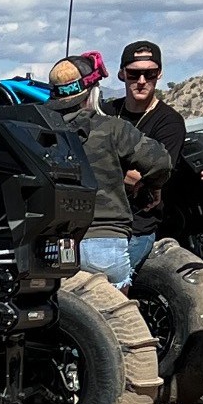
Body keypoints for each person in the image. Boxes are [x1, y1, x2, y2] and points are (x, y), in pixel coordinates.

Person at [45, 52, 171, 290]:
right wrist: (153, 186)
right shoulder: (112, 128)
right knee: (114, 323)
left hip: (50, 248)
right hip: (104, 242)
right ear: (94, 92)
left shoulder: (36, 131)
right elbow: (161, 162)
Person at [103, 40, 186, 272]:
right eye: (134, 73)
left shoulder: (169, 122)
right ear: (122, 74)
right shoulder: (106, 113)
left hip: (136, 226)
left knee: (108, 290)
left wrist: (104, 167)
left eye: (149, 73)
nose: (141, 81)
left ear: (159, 74)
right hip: (95, 221)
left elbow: (145, 179)